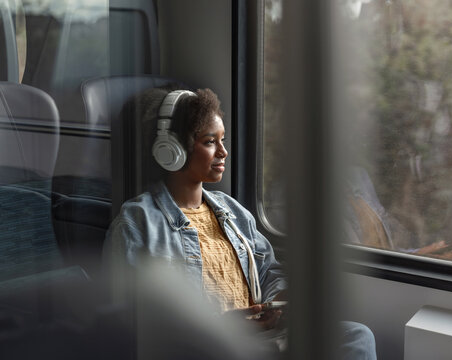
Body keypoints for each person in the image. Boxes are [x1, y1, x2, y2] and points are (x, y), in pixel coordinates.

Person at [103, 86, 376, 358]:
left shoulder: (231, 210)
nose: (223, 152)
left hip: (265, 339)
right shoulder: (137, 223)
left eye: (223, 140)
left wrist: (284, 298)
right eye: (210, 142)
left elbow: (267, 271)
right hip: (204, 347)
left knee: (356, 336)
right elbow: (132, 319)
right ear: (170, 149)